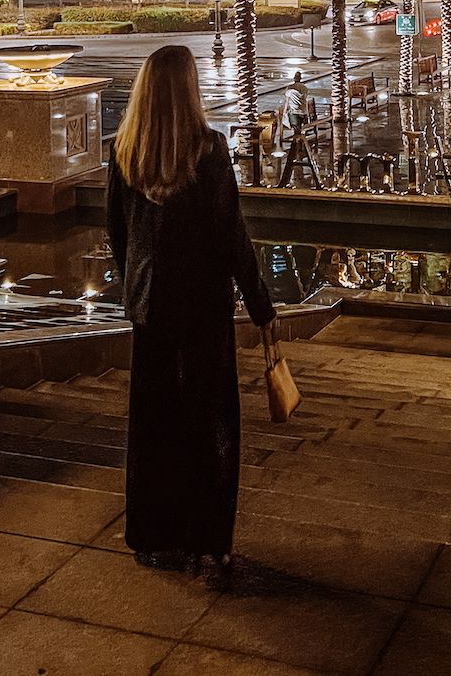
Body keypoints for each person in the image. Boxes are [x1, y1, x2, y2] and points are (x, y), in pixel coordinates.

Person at [106, 45, 275, 583]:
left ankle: (153, 535)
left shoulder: (125, 152)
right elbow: (231, 236)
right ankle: (209, 540)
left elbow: (117, 232)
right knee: (212, 421)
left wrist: (134, 285)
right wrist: (260, 303)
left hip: (150, 306)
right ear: (189, 89)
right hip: (201, 305)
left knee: (154, 420)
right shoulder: (209, 150)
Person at [282, 69, 307, 141]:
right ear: (300, 79)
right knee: (299, 128)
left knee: (296, 129)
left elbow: (287, 101)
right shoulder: (304, 88)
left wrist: (284, 112)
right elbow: (305, 99)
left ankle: (296, 145)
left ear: (294, 79)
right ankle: (300, 144)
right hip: (303, 111)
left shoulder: (290, 88)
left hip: (294, 112)